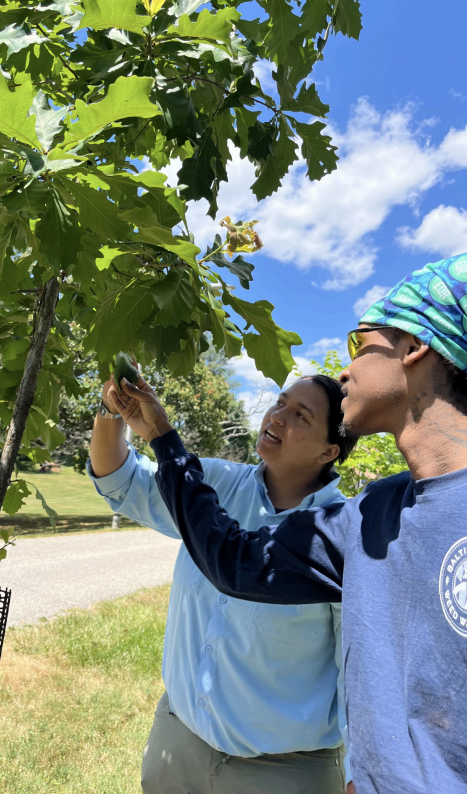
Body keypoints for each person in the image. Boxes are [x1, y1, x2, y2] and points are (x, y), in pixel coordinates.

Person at [108, 253, 467, 794]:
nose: (346, 370)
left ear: (415, 348)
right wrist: (160, 434)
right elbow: (236, 561)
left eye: (360, 343)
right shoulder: (371, 516)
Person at [89, 371, 358, 794]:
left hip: (285, 771)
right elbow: (120, 481)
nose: (279, 416)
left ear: (329, 451)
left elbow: (356, 668)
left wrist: (360, 771)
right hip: (178, 744)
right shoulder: (213, 484)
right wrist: (111, 410)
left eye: (301, 415)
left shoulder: (341, 535)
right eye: (281, 402)